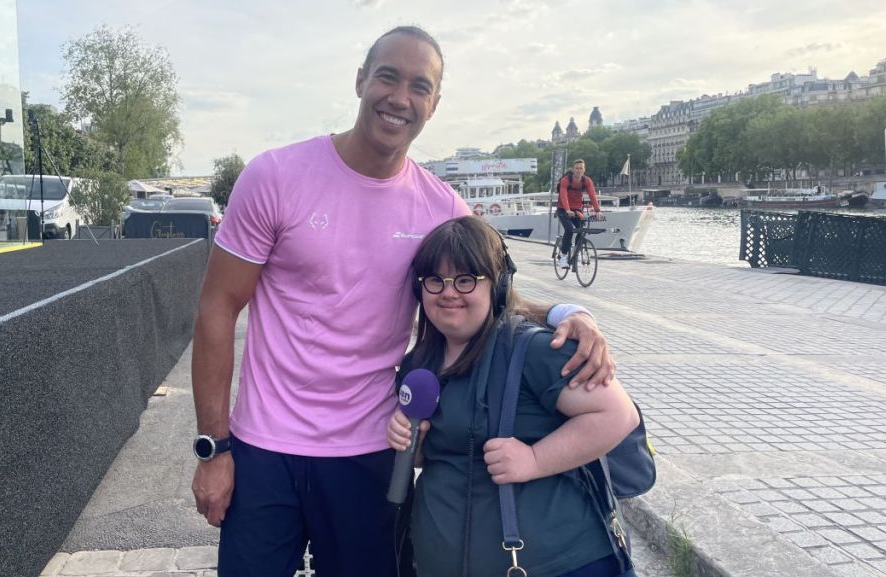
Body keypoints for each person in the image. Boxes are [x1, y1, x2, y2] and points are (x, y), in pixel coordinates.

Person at [190, 26, 617, 577]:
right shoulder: (275, 177)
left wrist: (566, 313)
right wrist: (213, 448)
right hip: (263, 448)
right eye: (388, 77)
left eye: (420, 86)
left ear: (434, 105)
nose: (400, 98)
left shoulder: (441, 207)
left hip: (372, 454)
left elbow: (488, 292)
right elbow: (217, 306)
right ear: (361, 80)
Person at [388, 216, 640, 577]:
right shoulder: (419, 365)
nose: (448, 292)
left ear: (498, 285)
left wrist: (535, 459)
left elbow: (617, 415)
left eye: (465, 280)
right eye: (435, 280)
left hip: (555, 564)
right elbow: (435, 456)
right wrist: (412, 440)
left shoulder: (534, 349)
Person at [556, 158, 602, 268]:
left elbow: (592, 195)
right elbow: (563, 195)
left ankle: (577, 251)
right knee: (569, 230)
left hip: (577, 210)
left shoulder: (587, 181)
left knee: (582, 230)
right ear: (573, 169)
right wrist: (567, 209)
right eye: (577, 168)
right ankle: (563, 257)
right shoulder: (566, 180)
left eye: (581, 168)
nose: (579, 170)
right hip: (563, 209)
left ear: (584, 170)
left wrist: (597, 211)